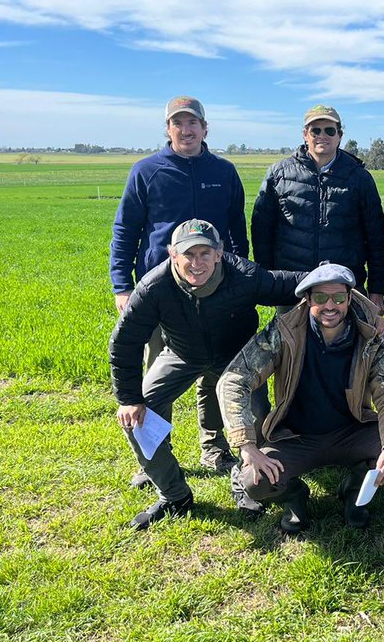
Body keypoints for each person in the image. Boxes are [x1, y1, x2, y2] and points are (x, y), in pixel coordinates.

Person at [109, 220, 302, 529]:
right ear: (172, 254)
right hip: (183, 354)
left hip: (236, 357)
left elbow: (288, 283)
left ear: (219, 254)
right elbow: (124, 343)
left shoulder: (244, 276)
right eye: (188, 254)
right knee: (137, 417)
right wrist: (130, 399)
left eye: (205, 253)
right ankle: (174, 494)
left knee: (260, 416)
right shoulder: (153, 288)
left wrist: (336, 287)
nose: (196, 263)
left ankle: (245, 479)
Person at [218, 263, 384, 534]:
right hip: (296, 436)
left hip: (350, 430)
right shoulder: (283, 332)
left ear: (350, 297)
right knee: (254, 480)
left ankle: (355, 492)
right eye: (320, 298)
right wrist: (247, 445)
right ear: (307, 299)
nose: (330, 305)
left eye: (339, 297)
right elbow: (234, 379)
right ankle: (294, 496)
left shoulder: (371, 335)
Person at [109, 96, 248, 475]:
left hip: (215, 290)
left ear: (206, 129)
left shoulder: (224, 171)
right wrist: (123, 286)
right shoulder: (146, 171)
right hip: (160, 294)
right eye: (178, 123)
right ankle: (155, 454)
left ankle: (214, 447)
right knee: (157, 375)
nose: (186, 130)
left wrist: (239, 281)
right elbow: (125, 230)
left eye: (193, 123)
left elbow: (237, 231)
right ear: (168, 129)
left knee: (215, 372)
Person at [251, 104, 384, 314]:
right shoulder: (279, 174)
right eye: (315, 130)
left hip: (343, 286)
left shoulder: (359, 177)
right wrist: (268, 280)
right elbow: (262, 232)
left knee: (344, 345)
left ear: (340, 136)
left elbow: (376, 236)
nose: (322, 136)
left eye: (329, 130)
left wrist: (377, 289)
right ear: (305, 134)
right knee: (292, 345)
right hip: (292, 288)